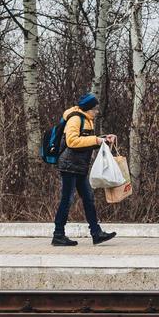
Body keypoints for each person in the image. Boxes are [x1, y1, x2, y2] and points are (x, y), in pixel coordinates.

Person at [53, 92, 118, 246]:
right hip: (69, 165)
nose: (96, 112)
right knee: (66, 200)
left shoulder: (87, 120)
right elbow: (72, 141)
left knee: (89, 199)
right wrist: (97, 139)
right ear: (88, 109)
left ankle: (96, 233)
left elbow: (85, 140)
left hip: (79, 166)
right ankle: (58, 235)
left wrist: (104, 139)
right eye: (94, 109)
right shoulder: (75, 119)